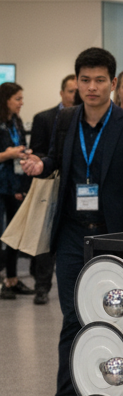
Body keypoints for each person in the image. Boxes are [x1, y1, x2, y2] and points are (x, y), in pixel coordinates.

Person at [22, 47, 123, 396]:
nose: (91, 87)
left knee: (111, 321)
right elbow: (55, 160)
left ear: (112, 84)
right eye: (85, 80)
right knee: (72, 319)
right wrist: (40, 165)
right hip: (71, 235)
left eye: (100, 80)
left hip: (114, 238)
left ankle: (112, 393)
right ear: (76, 82)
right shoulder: (65, 120)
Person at [27, 73, 78, 304]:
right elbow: (39, 151)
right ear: (61, 93)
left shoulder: (86, 120)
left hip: (76, 192)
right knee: (45, 240)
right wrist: (41, 163)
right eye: (71, 91)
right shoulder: (45, 118)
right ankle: (42, 286)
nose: (75, 95)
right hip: (49, 187)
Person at [0, 82, 33, 299]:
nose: (22, 103)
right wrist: (8, 154)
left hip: (13, 185)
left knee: (14, 235)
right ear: (6, 100)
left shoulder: (17, 122)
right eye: (18, 99)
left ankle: (12, 279)